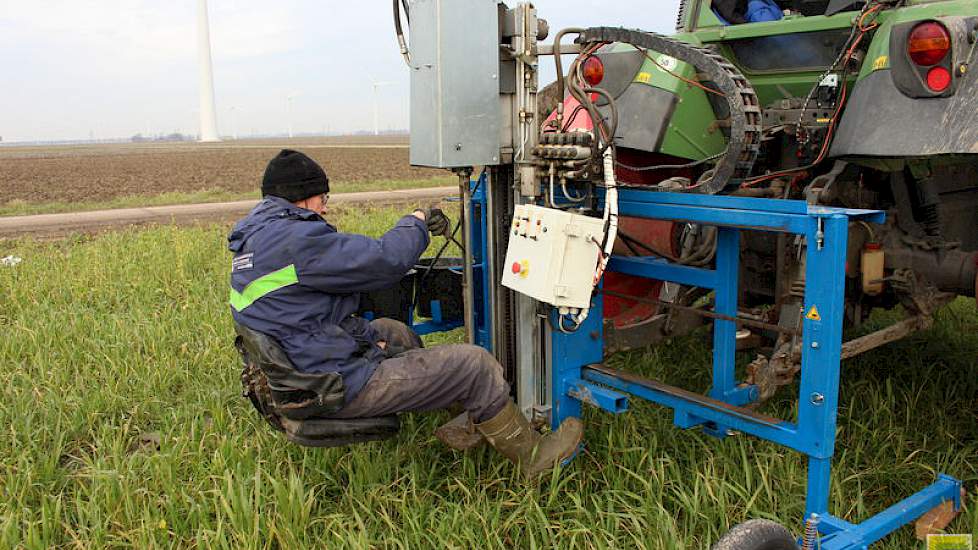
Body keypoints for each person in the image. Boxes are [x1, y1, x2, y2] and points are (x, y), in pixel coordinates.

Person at [228, 149, 583, 478]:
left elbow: (310, 319)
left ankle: (467, 412)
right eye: (323, 199)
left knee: (391, 330)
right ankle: (533, 458)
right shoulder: (298, 239)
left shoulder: (256, 239)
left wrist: (371, 342)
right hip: (327, 384)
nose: (324, 208)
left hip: (299, 373)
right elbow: (386, 259)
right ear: (301, 197)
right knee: (473, 364)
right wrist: (415, 221)